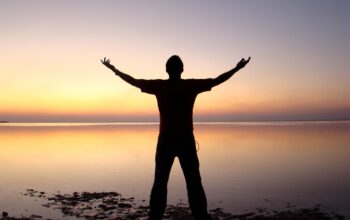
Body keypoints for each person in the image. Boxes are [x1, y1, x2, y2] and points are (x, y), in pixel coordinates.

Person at [101, 55, 250, 220]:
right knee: (193, 181)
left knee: (161, 181)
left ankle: (155, 217)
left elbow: (134, 81)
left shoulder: (160, 86)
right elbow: (216, 80)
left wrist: (114, 70)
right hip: (184, 140)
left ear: (166, 70)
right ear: (182, 70)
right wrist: (236, 69)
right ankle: (200, 216)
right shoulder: (190, 85)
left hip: (167, 140)